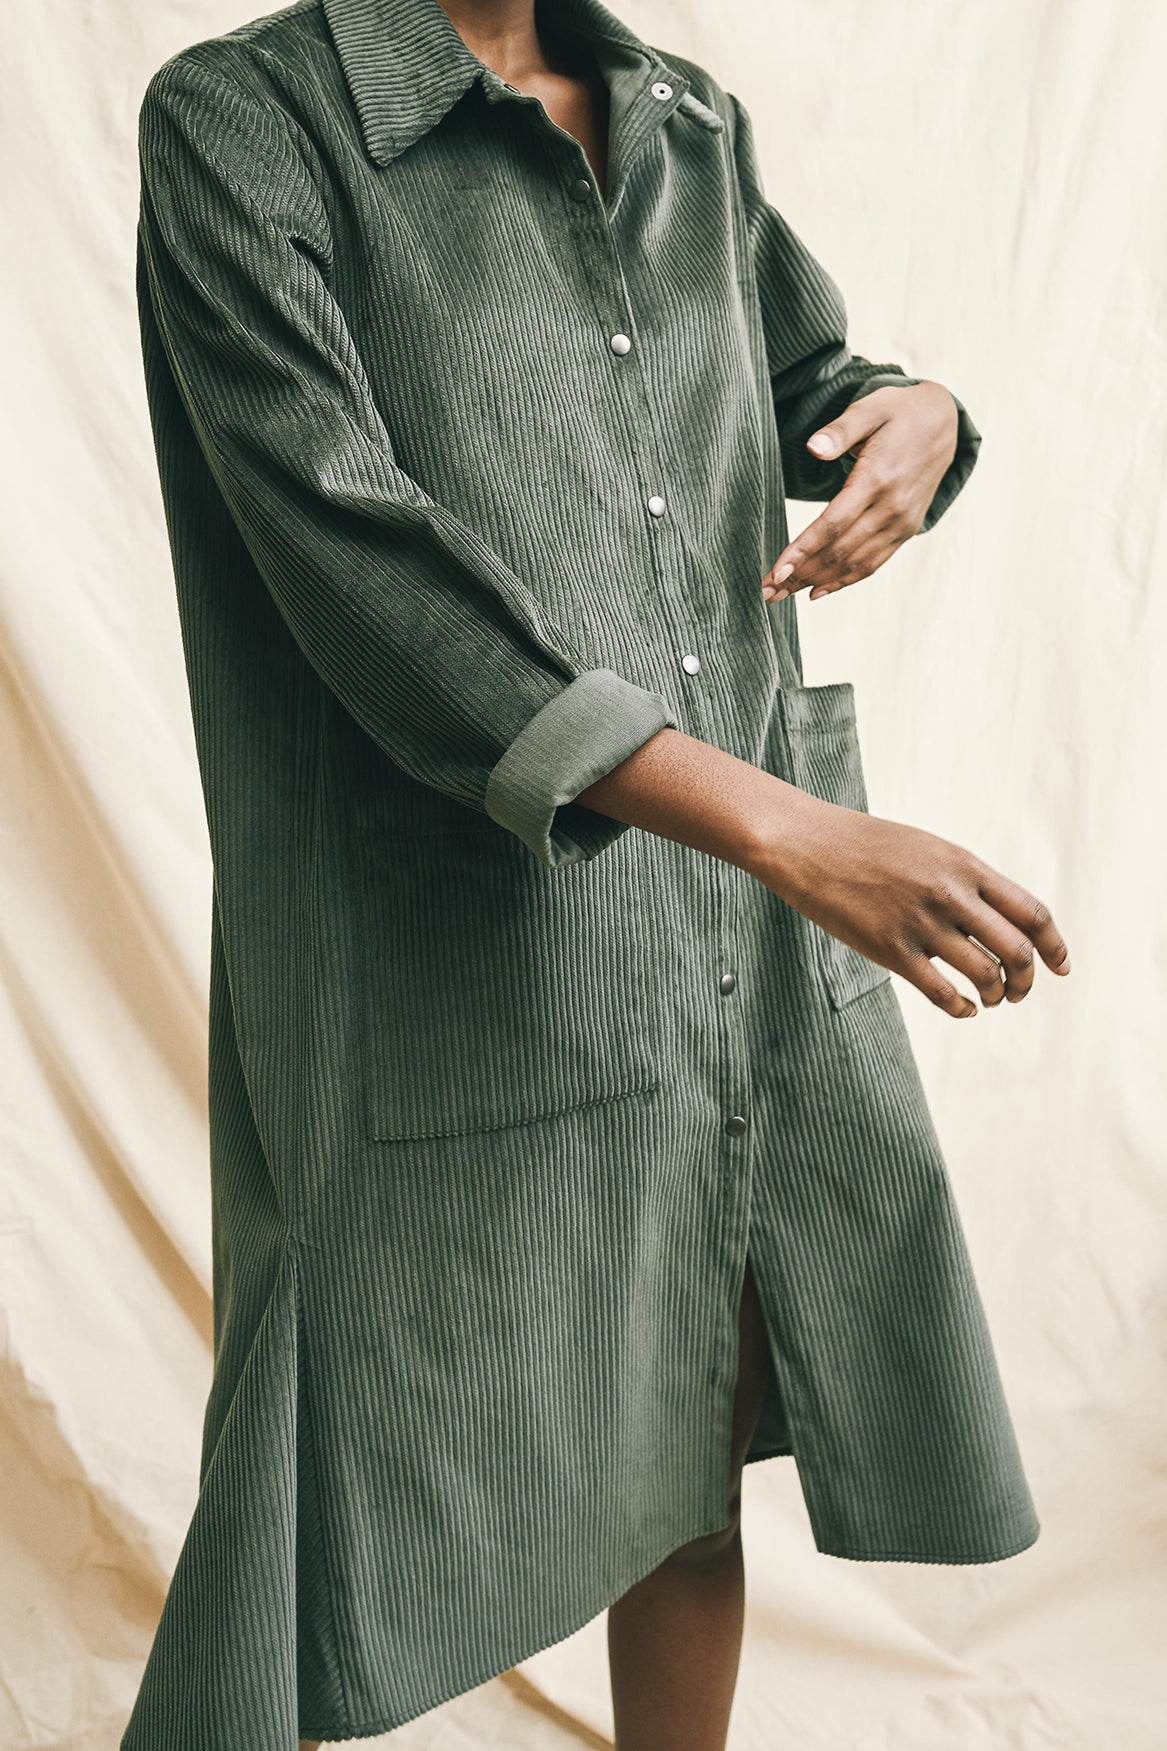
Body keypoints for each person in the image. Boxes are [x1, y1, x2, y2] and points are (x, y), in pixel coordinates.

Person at [127, 0, 1070, 1746]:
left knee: (688, 1431)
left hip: (711, 921)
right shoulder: (245, 120)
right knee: (328, 1463)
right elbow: (352, 556)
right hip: (441, 928)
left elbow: (808, 385)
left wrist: (918, 417)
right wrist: (796, 832)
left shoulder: (683, 119)